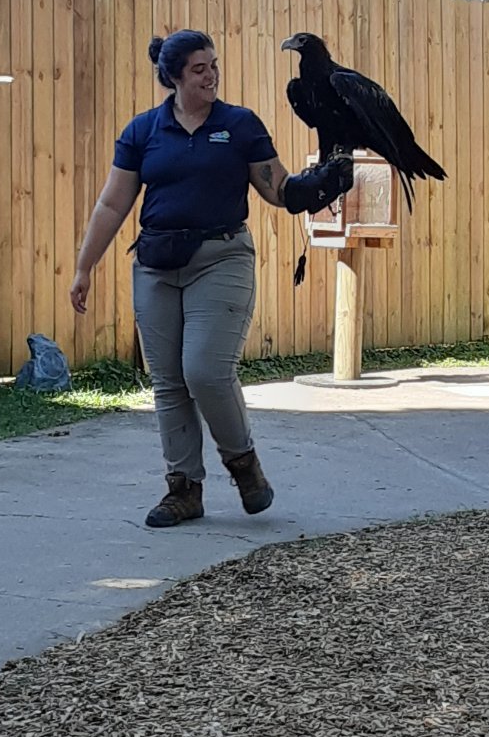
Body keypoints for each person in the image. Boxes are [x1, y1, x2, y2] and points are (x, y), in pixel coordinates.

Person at [70, 29, 353, 528]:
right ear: (174, 77)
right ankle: (183, 490)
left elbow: (278, 189)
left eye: (214, 65)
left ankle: (244, 466)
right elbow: (113, 204)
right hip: (156, 265)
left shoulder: (239, 125)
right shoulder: (143, 131)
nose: (211, 76)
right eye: (199, 69)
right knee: (168, 381)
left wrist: (321, 183)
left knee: (204, 371)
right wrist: (83, 267)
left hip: (222, 258)